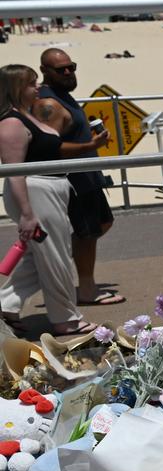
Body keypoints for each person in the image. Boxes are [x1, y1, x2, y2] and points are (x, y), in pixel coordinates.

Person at [0, 65, 97, 335]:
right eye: (32, 84)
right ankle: (65, 318)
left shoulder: (26, 116)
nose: (38, 88)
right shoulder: (11, 123)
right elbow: (13, 172)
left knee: (38, 255)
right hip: (36, 192)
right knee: (55, 256)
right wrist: (27, 214)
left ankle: (5, 304)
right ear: (17, 88)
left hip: (50, 189)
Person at [34, 49, 121, 306]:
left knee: (101, 224)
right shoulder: (49, 105)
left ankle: (67, 273)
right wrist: (89, 146)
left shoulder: (62, 97)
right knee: (87, 233)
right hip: (75, 180)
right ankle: (86, 289)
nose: (68, 72)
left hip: (86, 176)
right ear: (45, 72)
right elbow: (48, 147)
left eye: (71, 66)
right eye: (60, 69)